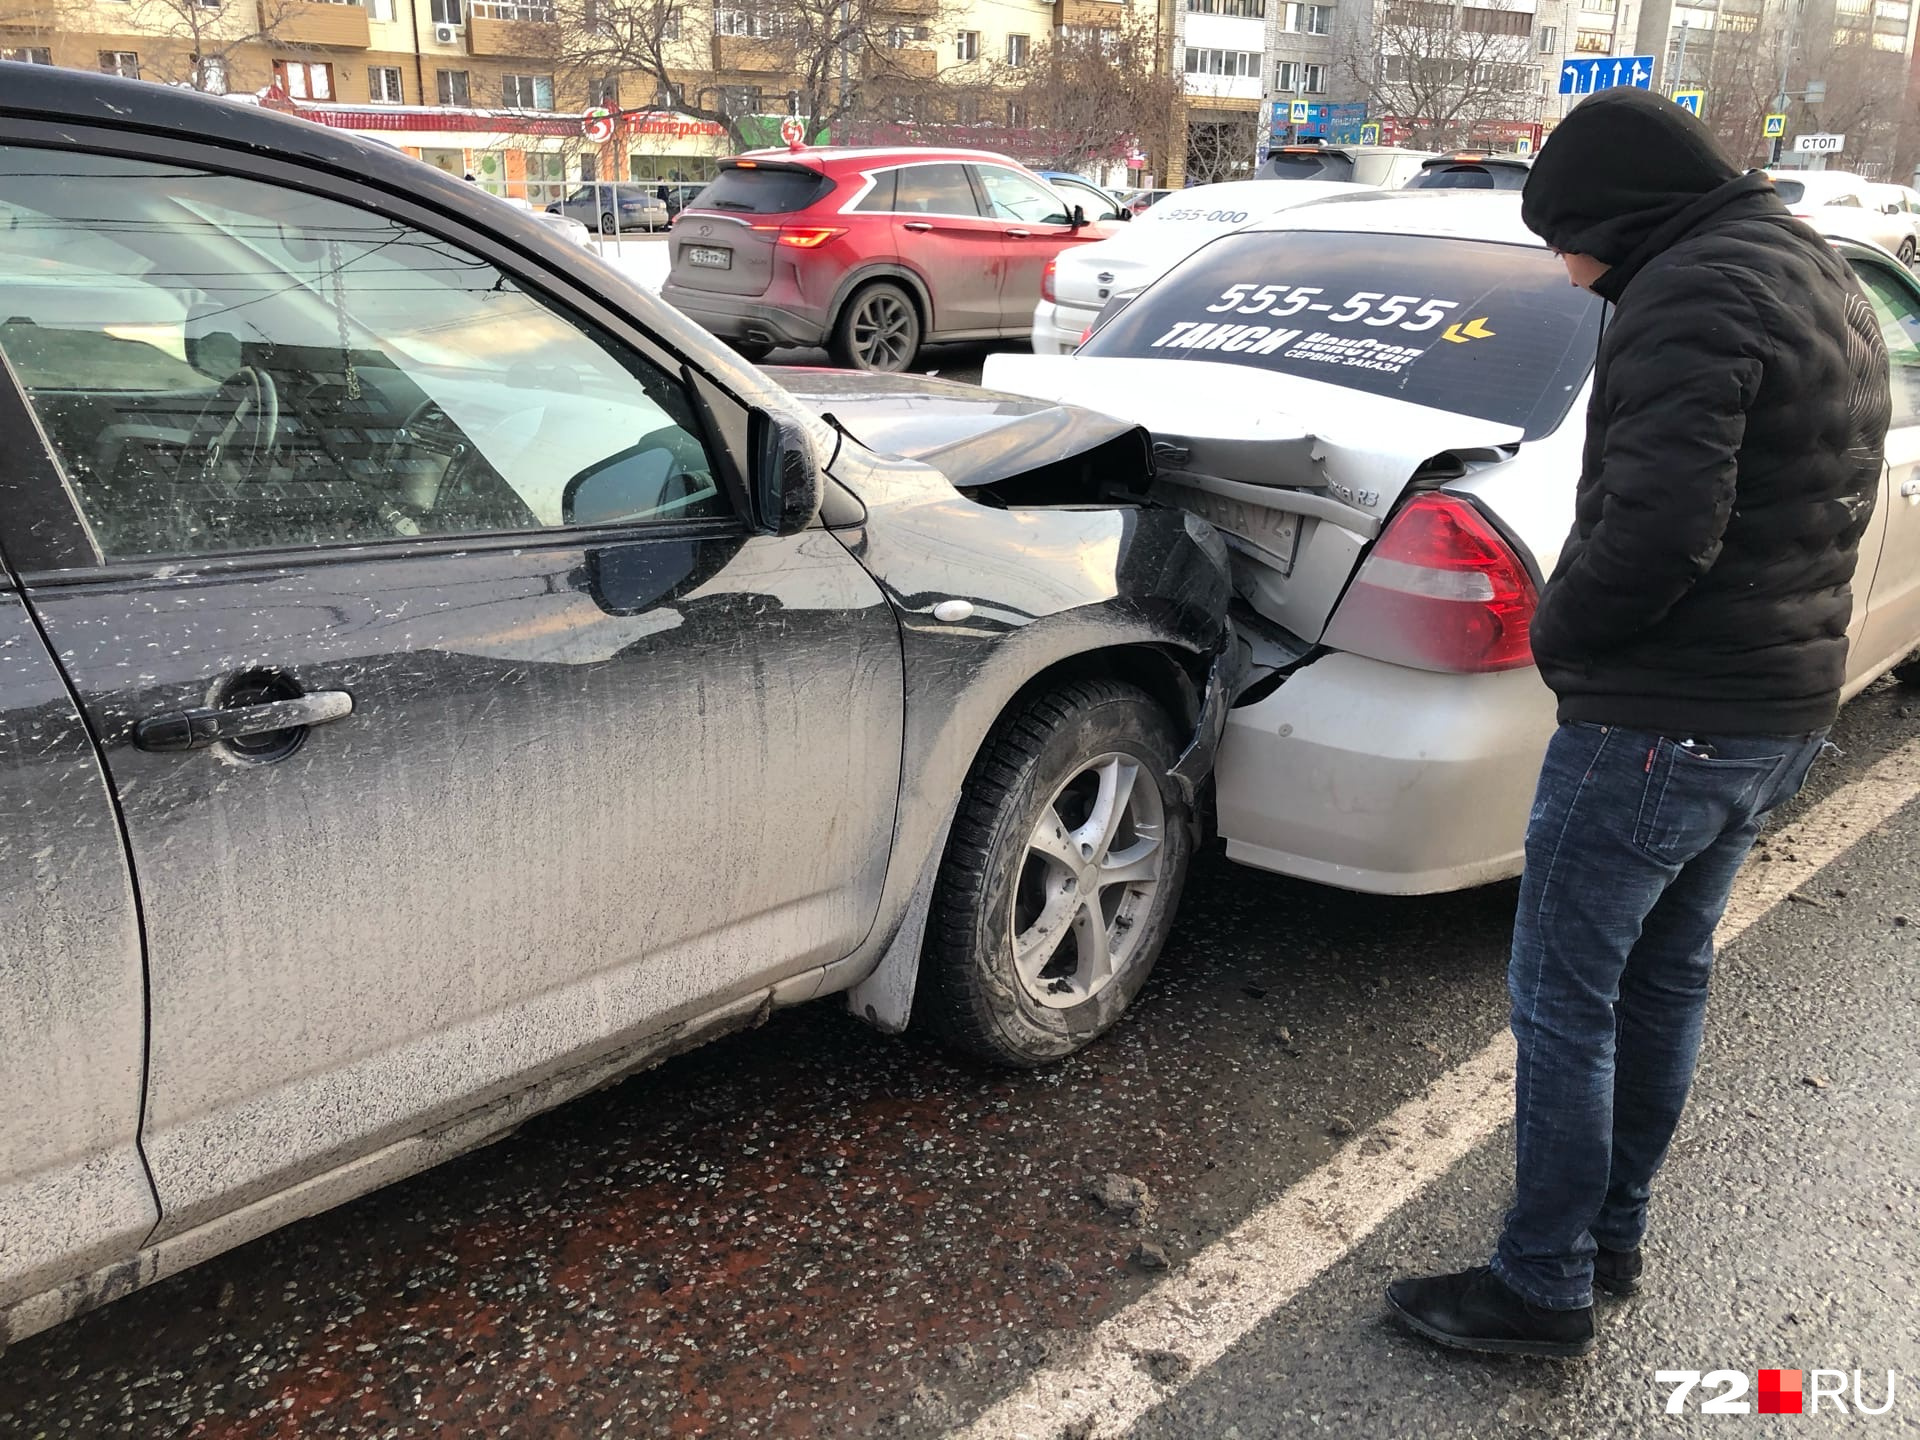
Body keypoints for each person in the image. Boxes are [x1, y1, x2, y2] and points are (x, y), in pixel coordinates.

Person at [1386, 88, 1891, 1357]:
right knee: (1663, 981)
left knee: (1565, 997)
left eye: (1569, 238)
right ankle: (1611, 1235)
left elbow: (1662, 526)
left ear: (1617, 212)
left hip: (1662, 717)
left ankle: (1542, 1285)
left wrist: (1562, 636)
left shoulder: (1692, 291)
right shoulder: (1812, 272)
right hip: (1770, 706)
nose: (1570, 267)